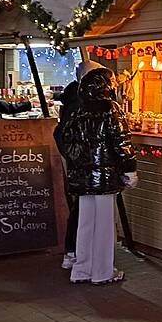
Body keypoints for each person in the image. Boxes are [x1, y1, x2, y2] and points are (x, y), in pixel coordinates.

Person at [54, 66, 136, 284]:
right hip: (104, 175)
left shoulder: (77, 109)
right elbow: (121, 141)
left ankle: (81, 270)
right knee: (105, 225)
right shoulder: (110, 108)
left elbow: (64, 138)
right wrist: (129, 167)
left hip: (82, 177)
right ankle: (102, 272)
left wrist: (77, 162)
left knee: (86, 223)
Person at [57, 59, 103, 272]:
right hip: (85, 165)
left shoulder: (72, 100)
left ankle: (76, 253)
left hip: (80, 165)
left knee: (82, 209)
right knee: (82, 209)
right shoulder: (81, 103)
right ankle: (75, 253)